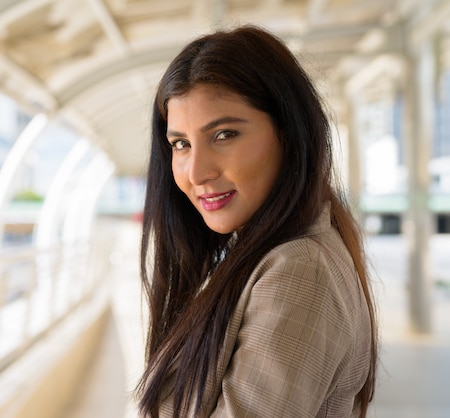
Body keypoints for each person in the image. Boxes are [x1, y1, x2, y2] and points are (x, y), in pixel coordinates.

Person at [136, 25, 378, 418]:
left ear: (289, 133)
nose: (196, 172)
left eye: (225, 134)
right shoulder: (260, 254)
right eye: (181, 143)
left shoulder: (300, 271)